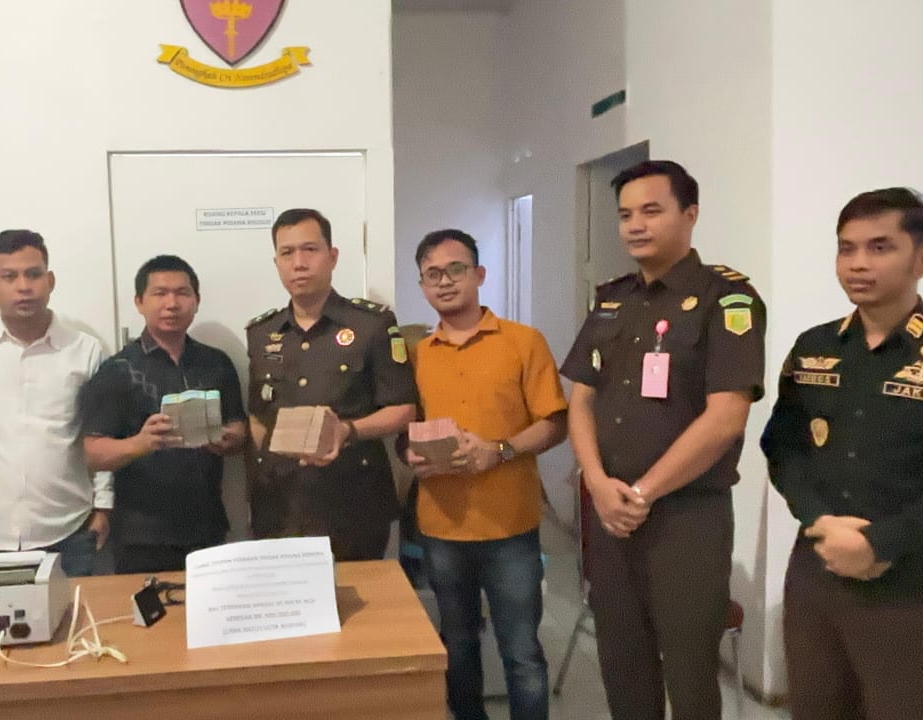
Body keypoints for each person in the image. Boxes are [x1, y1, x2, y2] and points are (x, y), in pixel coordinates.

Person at [760, 188, 923, 720]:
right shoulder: (814, 348)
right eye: (846, 248)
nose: (857, 263)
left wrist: (879, 543)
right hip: (817, 572)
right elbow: (783, 447)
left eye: (879, 247)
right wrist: (819, 520)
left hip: (912, 586)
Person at [560, 160, 766, 720]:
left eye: (651, 211)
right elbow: (581, 400)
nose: (635, 225)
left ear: (690, 214)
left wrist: (642, 492)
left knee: (690, 674)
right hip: (610, 516)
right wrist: (597, 481)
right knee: (621, 663)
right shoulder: (612, 300)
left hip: (686, 519)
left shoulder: (728, 299)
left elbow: (726, 417)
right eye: (626, 214)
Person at [407, 229, 567, 720]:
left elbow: (555, 423)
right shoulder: (415, 354)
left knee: (521, 652)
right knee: (456, 646)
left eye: (456, 269)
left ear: (479, 274)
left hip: (509, 527)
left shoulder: (522, 342)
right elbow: (405, 426)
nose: (445, 281)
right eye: (432, 274)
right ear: (422, 286)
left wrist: (499, 450)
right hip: (442, 525)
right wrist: (409, 453)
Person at [245, 208, 417, 561]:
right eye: (287, 253)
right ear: (276, 262)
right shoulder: (262, 333)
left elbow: (403, 409)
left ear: (332, 256)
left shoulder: (372, 324)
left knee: (357, 597)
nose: (299, 263)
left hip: (353, 502)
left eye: (310, 249)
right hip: (280, 505)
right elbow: (258, 416)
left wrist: (347, 430)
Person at [0, 230, 110, 577]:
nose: (24, 287)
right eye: (9, 276)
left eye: (33, 274)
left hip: (69, 528)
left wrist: (103, 506)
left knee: (74, 614)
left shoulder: (86, 350)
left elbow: (102, 433)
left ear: (50, 280)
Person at [81, 255, 246, 573]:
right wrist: (141, 443)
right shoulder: (117, 370)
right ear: (139, 302)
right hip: (142, 535)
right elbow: (92, 453)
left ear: (196, 301)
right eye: (160, 293)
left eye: (182, 293)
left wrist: (226, 438)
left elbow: (239, 428)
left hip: (208, 527)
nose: (172, 303)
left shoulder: (217, 363)